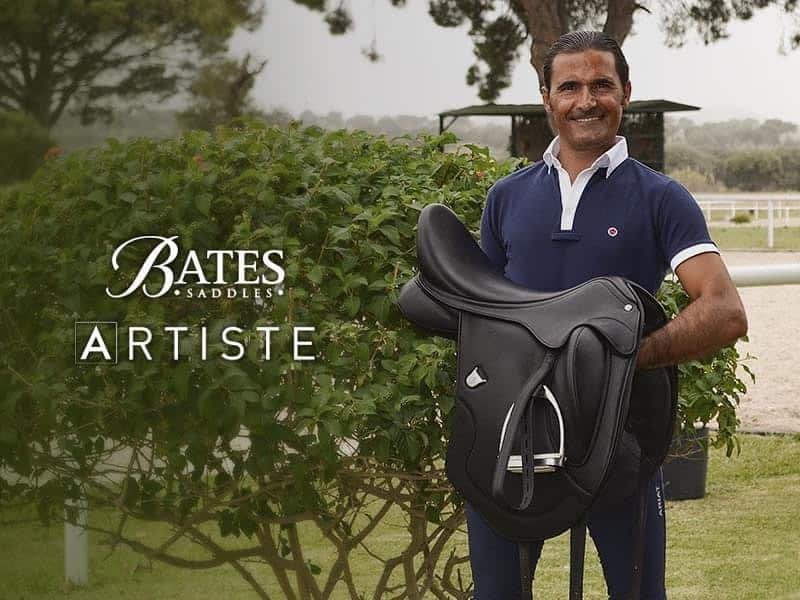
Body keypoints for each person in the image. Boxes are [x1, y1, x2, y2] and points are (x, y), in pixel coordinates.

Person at [468, 31, 748, 599]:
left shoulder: (660, 197)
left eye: (601, 85)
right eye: (569, 87)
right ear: (547, 98)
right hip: (513, 440)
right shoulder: (506, 198)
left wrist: (622, 361)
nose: (585, 100)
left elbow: (724, 311)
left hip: (618, 444)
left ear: (625, 92)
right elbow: (482, 316)